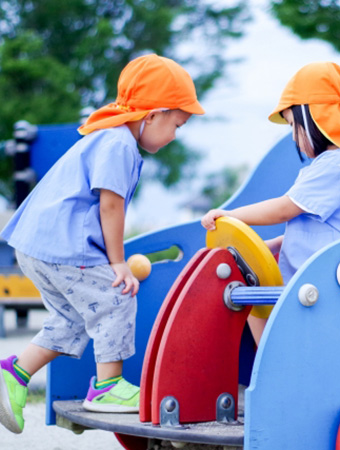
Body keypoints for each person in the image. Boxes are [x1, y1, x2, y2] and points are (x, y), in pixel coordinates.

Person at [0, 54, 204, 434]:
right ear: (153, 114)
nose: (176, 134)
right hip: (62, 245)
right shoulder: (118, 143)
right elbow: (110, 204)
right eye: (177, 123)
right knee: (117, 296)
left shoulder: (109, 137)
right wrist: (118, 262)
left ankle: (13, 373)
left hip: (37, 245)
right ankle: (108, 388)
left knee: (74, 318)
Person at [201, 61, 340, 342]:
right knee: (252, 298)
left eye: (294, 125)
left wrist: (230, 215)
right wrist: (274, 245)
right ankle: (268, 362)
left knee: (253, 300)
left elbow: (283, 210)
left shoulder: (337, 165)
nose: (293, 136)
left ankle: (268, 366)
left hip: (334, 286)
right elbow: (312, 227)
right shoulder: (335, 164)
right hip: (322, 280)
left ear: (316, 118)